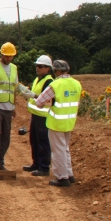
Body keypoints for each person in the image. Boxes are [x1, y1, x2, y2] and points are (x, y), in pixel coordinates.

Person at [0, 42, 33, 170]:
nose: (8, 58)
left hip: (8, 107)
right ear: (1, 54)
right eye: (6, 56)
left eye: (11, 56)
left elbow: (13, 88)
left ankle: (1, 161)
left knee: (5, 136)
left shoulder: (14, 68)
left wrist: (13, 106)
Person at [32, 59, 81, 187]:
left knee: (58, 150)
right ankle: (69, 174)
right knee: (65, 149)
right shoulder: (76, 84)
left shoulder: (56, 84)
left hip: (56, 122)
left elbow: (39, 101)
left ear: (56, 71)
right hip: (69, 121)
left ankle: (62, 177)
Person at [23, 55, 54, 176]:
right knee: (34, 141)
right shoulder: (37, 79)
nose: (38, 68)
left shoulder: (49, 81)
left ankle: (44, 167)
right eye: (37, 66)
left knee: (42, 142)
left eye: (40, 66)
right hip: (35, 115)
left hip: (43, 116)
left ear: (48, 68)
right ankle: (36, 163)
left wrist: (32, 96)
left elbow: (45, 99)